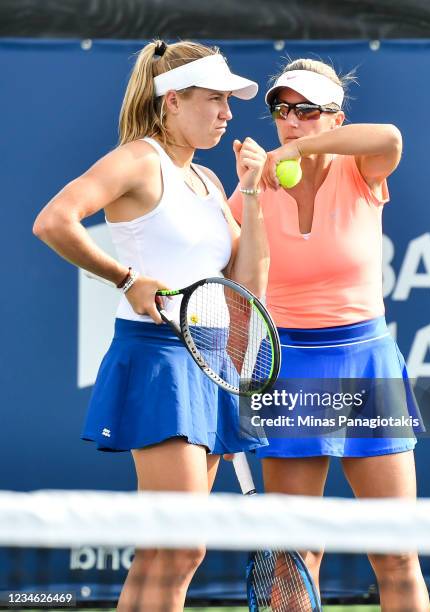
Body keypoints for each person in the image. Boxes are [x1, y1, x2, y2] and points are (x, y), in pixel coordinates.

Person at [33, 39, 269, 612]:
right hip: (157, 358)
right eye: (213, 99)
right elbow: (53, 221)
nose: (226, 113)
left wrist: (255, 193)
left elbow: (248, 290)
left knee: (165, 551)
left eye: (228, 101)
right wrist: (123, 278)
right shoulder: (138, 160)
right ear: (171, 102)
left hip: (209, 360)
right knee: (182, 547)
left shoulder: (212, 184)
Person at [229, 59, 430, 610]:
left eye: (307, 110)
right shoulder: (253, 183)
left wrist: (300, 152)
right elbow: (238, 294)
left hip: (367, 363)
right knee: (297, 557)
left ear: (334, 117)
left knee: (395, 555)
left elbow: (389, 135)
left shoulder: (362, 169)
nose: (291, 121)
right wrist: (251, 189)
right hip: (286, 366)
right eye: (281, 109)